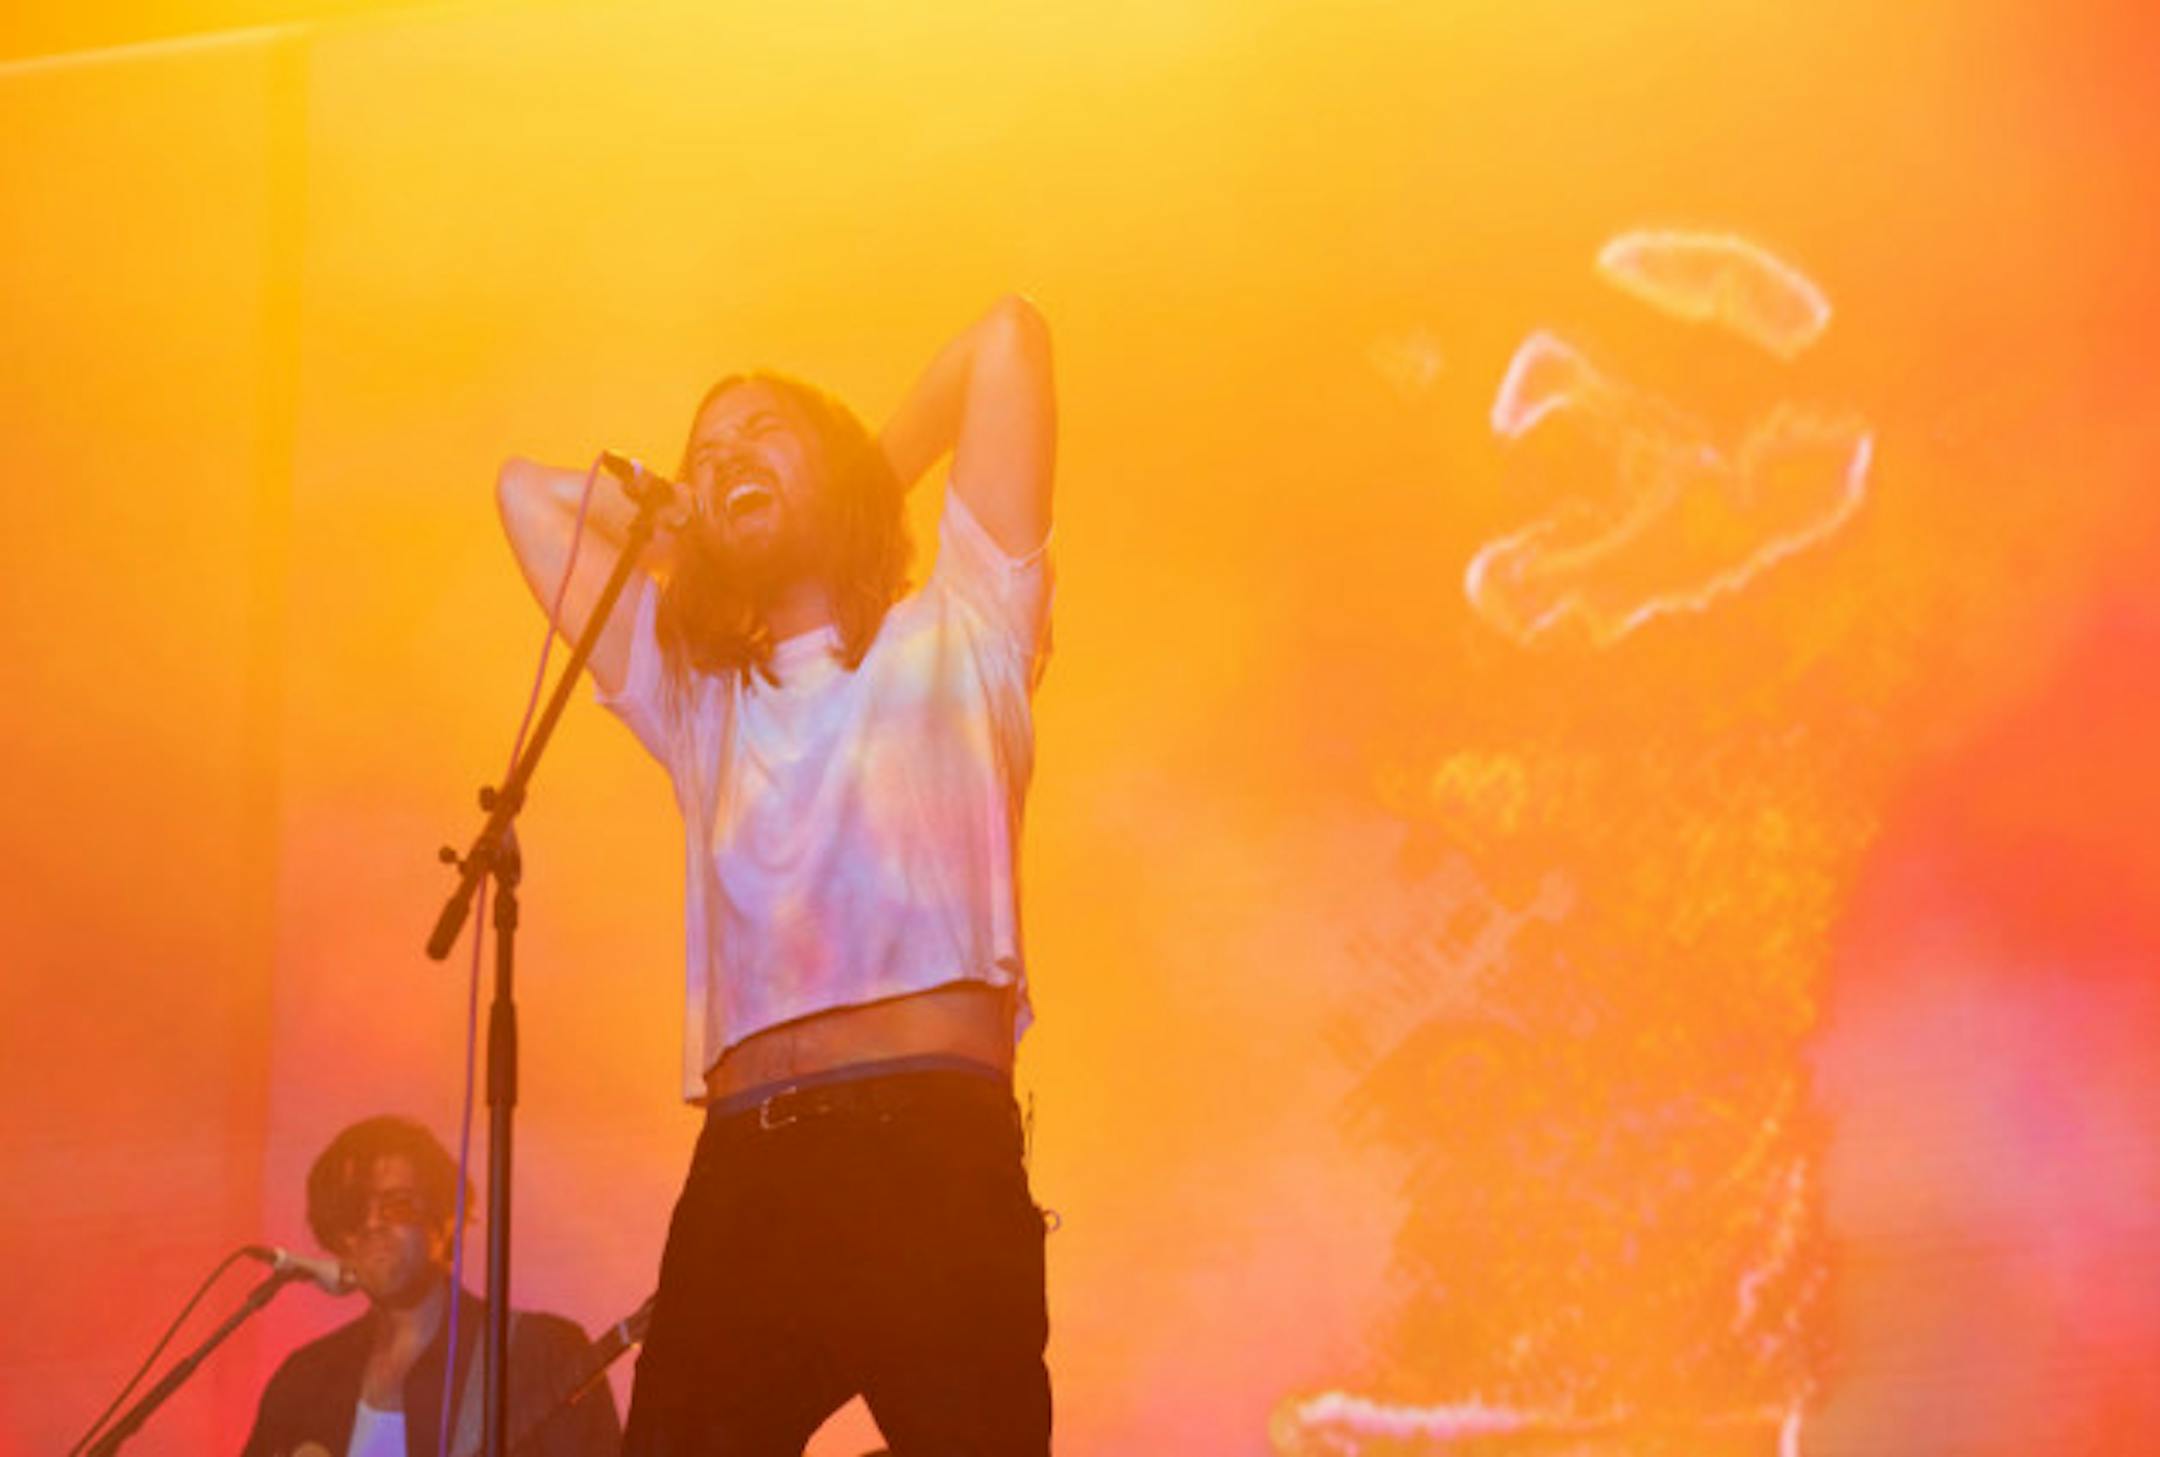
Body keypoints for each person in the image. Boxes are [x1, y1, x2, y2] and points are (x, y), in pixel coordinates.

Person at [494, 294, 1057, 1454]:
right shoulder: (703, 701)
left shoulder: (965, 622)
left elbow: (1004, 339)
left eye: (762, 435)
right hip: (749, 1167)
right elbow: (525, 493)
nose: (728, 456)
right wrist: (686, 523)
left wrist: (858, 483)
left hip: (933, 1155)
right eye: (708, 453)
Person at [240, 1116, 622, 1457]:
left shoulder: (539, 1354)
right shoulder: (306, 1380)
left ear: (447, 1218)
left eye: (397, 1205)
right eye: (354, 1210)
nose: (373, 1224)